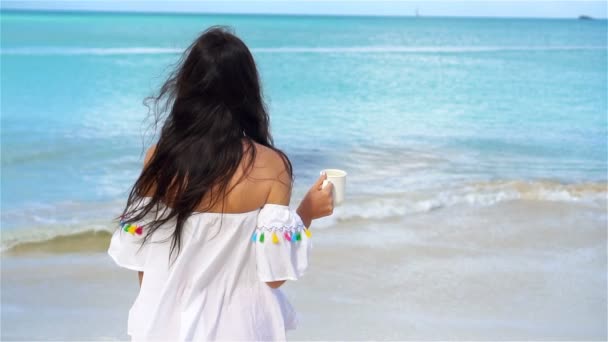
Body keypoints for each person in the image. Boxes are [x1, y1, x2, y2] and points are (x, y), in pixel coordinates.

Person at [107, 26, 334, 341]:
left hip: (162, 326)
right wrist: (306, 213)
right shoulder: (271, 166)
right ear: (247, 91)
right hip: (239, 328)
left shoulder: (159, 158)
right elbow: (274, 277)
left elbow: (142, 261)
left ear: (187, 88)